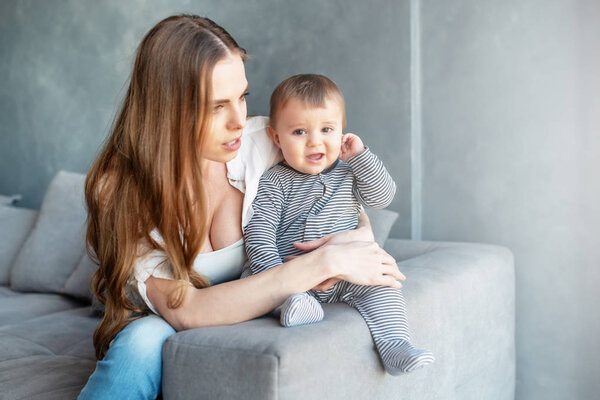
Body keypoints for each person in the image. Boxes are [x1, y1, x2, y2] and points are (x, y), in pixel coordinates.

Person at [78, 14, 406, 400]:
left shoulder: (263, 141)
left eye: (242, 97)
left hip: (270, 299)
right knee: (142, 340)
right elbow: (187, 310)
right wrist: (321, 263)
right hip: (169, 315)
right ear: (167, 109)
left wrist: (354, 238)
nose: (238, 120)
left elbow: (338, 187)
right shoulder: (118, 190)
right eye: (217, 106)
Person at [242, 74, 434, 374]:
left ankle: (396, 345)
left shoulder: (348, 173)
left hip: (347, 273)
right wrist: (276, 278)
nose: (315, 141)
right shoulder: (274, 181)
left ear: (342, 132)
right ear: (276, 137)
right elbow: (260, 234)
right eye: (299, 132)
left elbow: (383, 196)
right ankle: (298, 307)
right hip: (294, 273)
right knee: (267, 288)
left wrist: (360, 157)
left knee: (384, 287)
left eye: (327, 129)